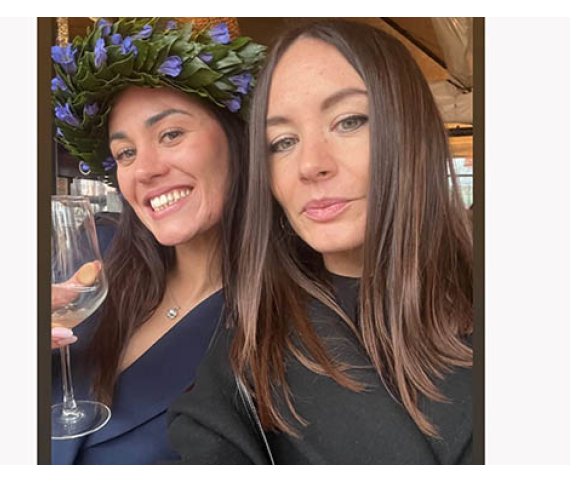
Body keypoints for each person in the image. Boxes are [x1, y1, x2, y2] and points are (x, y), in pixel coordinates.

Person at [167, 20, 474, 464]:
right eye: (282, 142)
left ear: (413, 129)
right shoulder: (256, 334)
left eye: (348, 121)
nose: (310, 164)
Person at [49, 17, 265, 464]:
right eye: (125, 153)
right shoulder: (92, 263)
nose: (144, 170)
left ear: (238, 139)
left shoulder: (283, 321)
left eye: (171, 134)